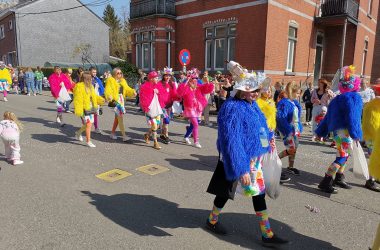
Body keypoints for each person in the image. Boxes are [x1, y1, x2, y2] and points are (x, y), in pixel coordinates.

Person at [206, 61, 288, 246]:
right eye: (252, 90)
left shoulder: (253, 104)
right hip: (236, 158)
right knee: (225, 191)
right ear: (241, 91)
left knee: (258, 193)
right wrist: (241, 168)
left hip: (253, 158)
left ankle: (267, 234)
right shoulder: (231, 108)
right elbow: (231, 141)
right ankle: (211, 220)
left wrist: (269, 138)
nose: (257, 93)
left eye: (258, 90)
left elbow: (260, 127)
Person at [316, 65, 363, 194]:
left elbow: (328, 117)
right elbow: (354, 118)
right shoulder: (354, 98)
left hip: (337, 132)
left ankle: (339, 177)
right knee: (342, 156)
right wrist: (356, 134)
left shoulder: (337, 99)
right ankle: (326, 180)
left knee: (343, 154)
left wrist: (320, 131)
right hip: (346, 132)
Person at [177, 68, 214, 148]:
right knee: (196, 124)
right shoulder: (186, 86)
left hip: (197, 107)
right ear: (190, 79)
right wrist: (186, 80)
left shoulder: (199, 86)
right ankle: (196, 141)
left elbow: (207, 89)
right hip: (189, 107)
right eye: (193, 78)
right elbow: (180, 93)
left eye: (196, 78)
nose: (195, 80)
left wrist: (207, 82)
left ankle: (186, 137)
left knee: (194, 124)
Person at [276, 81, 303, 176]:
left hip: (294, 129)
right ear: (292, 92)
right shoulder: (284, 103)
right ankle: (274, 160)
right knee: (291, 148)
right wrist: (286, 130)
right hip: (287, 129)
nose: (299, 95)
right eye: (298, 93)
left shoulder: (294, 103)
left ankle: (290, 167)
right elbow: (280, 118)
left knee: (295, 148)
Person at [74, 72, 104, 148]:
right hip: (84, 108)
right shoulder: (79, 87)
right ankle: (88, 141)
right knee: (89, 124)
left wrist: (101, 99)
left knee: (88, 124)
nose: (91, 80)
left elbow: (94, 97)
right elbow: (78, 100)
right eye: (89, 79)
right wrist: (79, 111)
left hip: (90, 108)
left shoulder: (91, 86)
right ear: (86, 79)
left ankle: (78, 133)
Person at [104, 68, 136, 142]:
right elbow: (108, 89)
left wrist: (132, 92)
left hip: (121, 99)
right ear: (114, 73)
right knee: (120, 116)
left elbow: (127, 89)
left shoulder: (123, 81)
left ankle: (112, 133)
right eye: (118, 73)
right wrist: (109, 96)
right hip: (115, 100)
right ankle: (124, 136)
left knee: (117, 118)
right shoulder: (110, 80)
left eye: (120, 73)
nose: (120, 74)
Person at [140, 71, 168, 150]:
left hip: (157, 109)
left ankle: (147, 135)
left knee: (157, 125)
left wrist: (158, 92)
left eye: (157, 77)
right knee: (155, 125)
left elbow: (163, 95)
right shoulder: (145, 86)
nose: (157, 79)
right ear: (151, 78)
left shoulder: (158, 86)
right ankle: (155, 142)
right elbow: (143, 98)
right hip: (150, 110)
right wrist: (152, 91)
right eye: (156, 77)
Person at [362, 97, 380, 192]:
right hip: (373, 138)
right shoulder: (373, 106)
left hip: (374, 137)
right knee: (373, 159)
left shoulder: (375, 105)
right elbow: (372, 125)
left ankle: (376, 177)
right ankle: (370, 180)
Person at [159, 67, 178, 144]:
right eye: (166, 75)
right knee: (166, 120)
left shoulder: (172, 84)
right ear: (163, 76)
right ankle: (166, 135)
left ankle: (162, 135)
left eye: (169, 76)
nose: (168, 77)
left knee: (166, 121)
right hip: (162, 105)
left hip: (169, 105)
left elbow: (174, 93)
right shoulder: (160, 83)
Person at [89, 67, 105, 134]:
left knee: (96, 113)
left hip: (96, 98)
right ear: (90, 72)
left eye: (95, 72)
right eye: (93, 72)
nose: (94, 73)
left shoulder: (97, 79)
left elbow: (101, 88)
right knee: (89, 112)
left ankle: (96, 127)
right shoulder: (87, 79)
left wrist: (102, 97)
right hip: (89, 98)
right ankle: (87, 125)